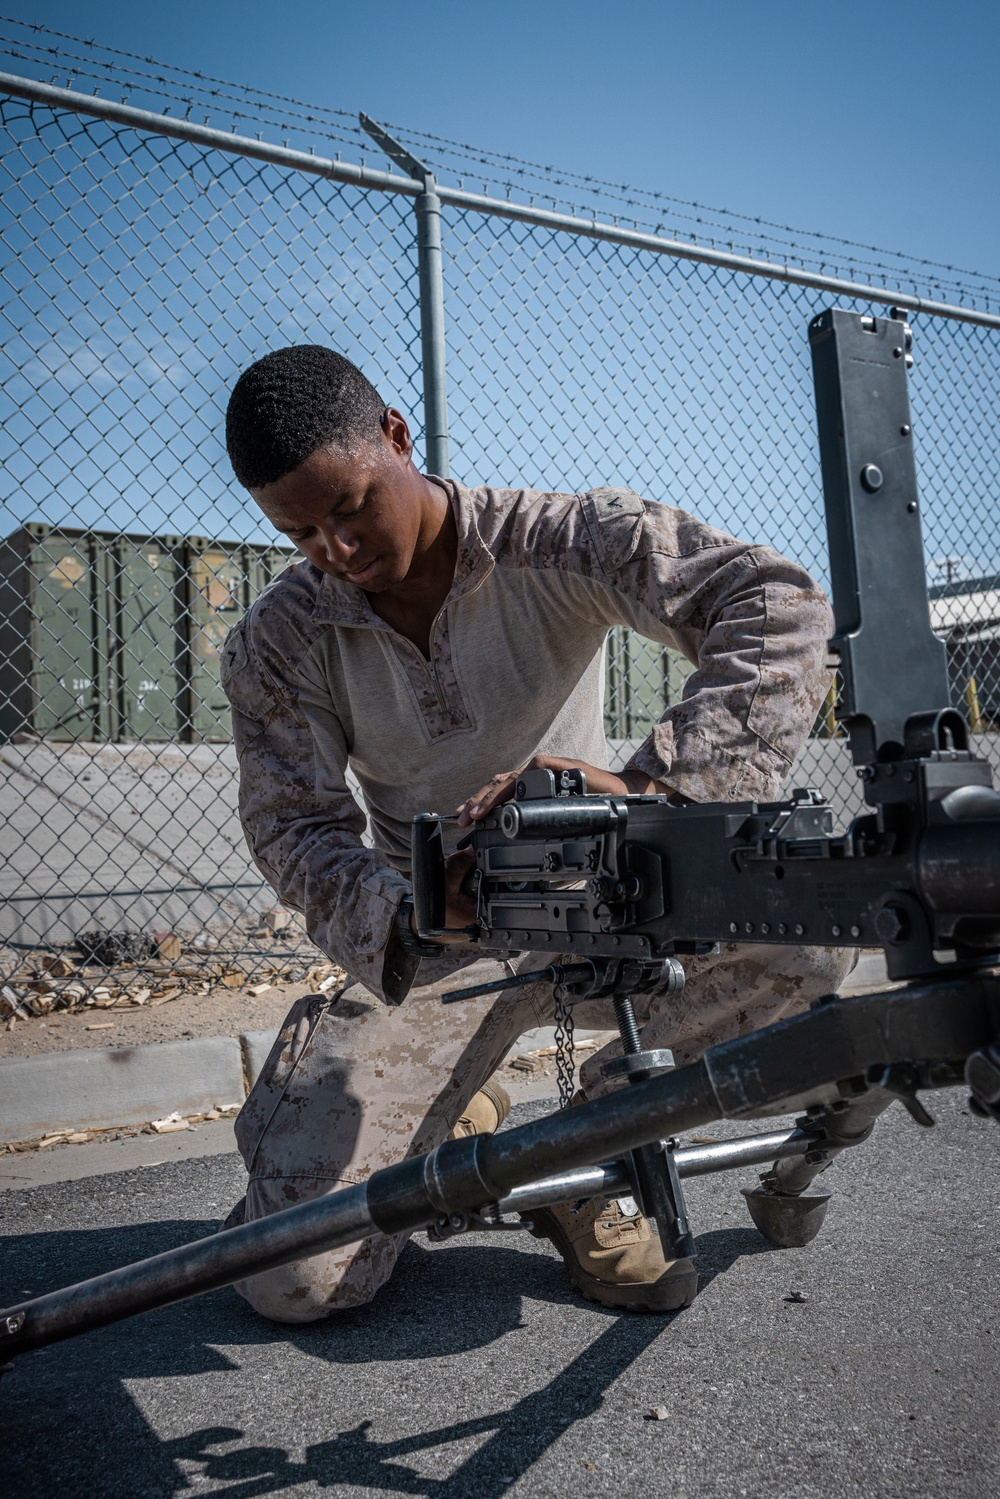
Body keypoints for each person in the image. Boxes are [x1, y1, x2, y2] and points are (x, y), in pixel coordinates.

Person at [220, 344, 850, 1322]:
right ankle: (364, 1080)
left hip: (609, 906)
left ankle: (589, 1150)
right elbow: (295, 829)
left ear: (395, 436)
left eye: (349, 508)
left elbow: (779, 605)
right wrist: (416, 911)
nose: (336, 550)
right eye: (299, 532)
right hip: (441, 946)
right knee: (294, 1279)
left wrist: (651, 789)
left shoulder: (556, 537)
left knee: (812, 960)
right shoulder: (279, 641)